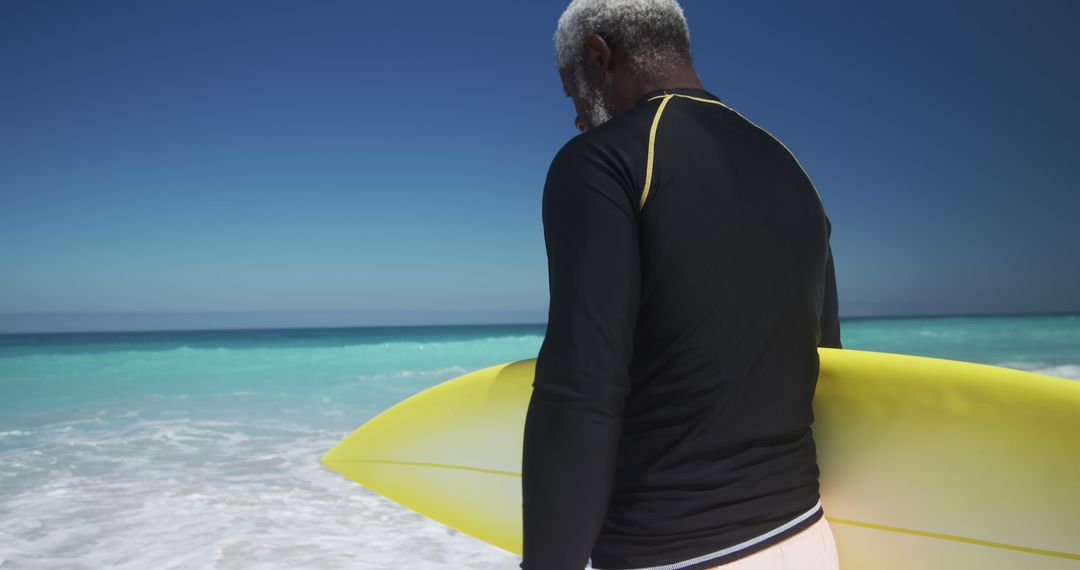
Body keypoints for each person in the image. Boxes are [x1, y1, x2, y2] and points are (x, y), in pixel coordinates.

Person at [519, 0, 843, 569]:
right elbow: (829, 367)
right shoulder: (793, 171)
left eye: (571, 90)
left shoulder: (603, 163)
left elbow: (583, 388)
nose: (574, 116)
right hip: (809, 537)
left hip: (676, 554)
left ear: (599, 56)